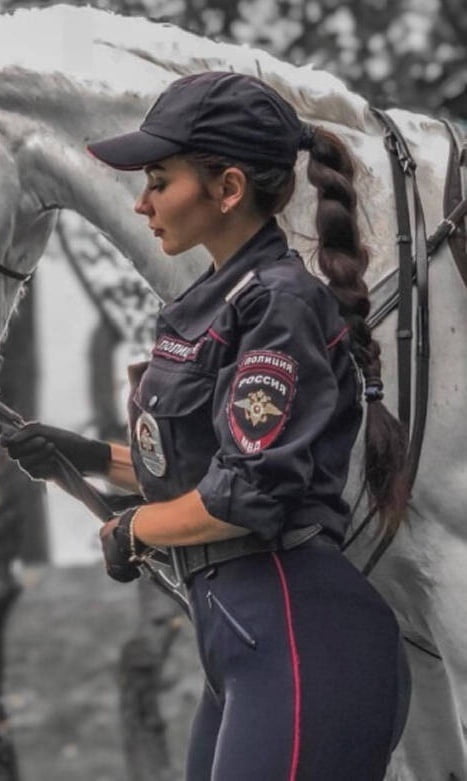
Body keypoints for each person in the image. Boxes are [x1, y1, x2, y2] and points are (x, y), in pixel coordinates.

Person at [3, 71, 411, 780]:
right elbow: (214, 464)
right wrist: (82, 454)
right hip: (243, 642)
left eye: (160, 180)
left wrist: (134, 528)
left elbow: (248, 490)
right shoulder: (215, 303)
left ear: (226, 189)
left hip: (299, 634)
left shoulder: (277, 306)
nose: (142, 201)